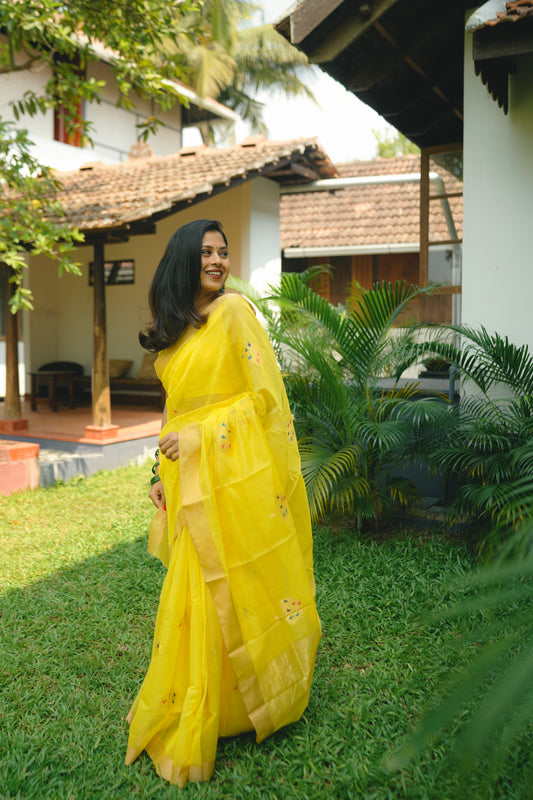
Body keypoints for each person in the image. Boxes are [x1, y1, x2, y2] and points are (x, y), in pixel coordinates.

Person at [125, 219, 321, 787]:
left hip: (228, 474)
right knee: (196, 589)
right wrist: (159, 473)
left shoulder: (234, 313)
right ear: (185, 260)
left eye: (223, 251)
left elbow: (263, 400)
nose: (217, 260)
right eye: (207, 252)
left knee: (237, 578)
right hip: (186, 475)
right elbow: (174, 409)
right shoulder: (177, 330)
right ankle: (203, 696)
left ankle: (244, 702)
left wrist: (197, 438)